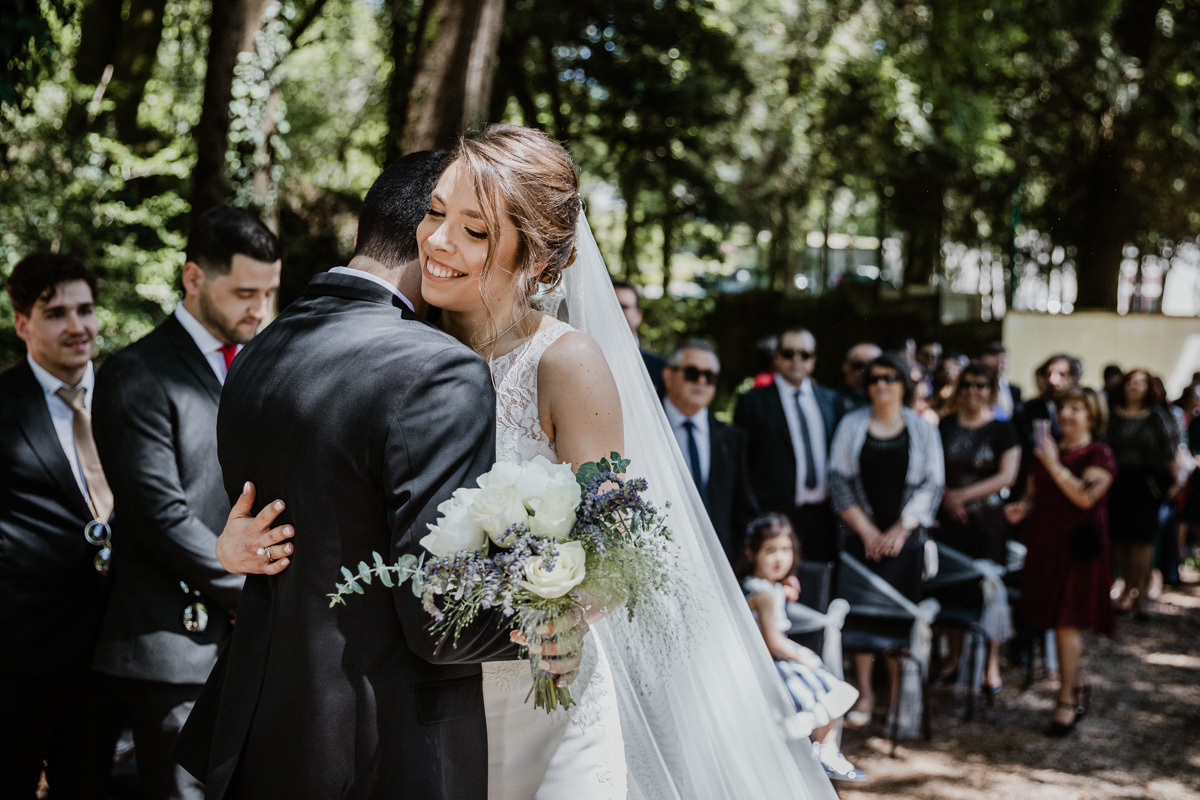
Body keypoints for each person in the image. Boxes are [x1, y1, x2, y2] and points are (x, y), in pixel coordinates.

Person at [202, 128, 840, 799]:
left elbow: (617, 541)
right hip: (418, 708)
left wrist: (568, 613)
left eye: (474, 231)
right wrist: (233, 542)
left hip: (540, 693)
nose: (438, 242)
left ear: (535, 259)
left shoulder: (566, 364)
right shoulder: (403, 346)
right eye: (436, 213)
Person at [177, 151, 569, 799]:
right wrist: (544, 615)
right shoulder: (438, 371)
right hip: (379, 747)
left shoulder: (261, 351)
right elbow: (439, 608)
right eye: (460, 224)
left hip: (260, 731)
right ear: (428, 230)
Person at [89, 207, 280, 800]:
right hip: (174, 646)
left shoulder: (262, 364)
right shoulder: (135, 373)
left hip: (253, 642)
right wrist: (251, 590)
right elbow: (158, 517)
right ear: (193, 278)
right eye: (245, 292)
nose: (260, 309)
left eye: (271, 292)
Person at [0, 254, 114, 798]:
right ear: (22, 322)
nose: (77, 326)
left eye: (85, 309)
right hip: (20, 654)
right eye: (56, 313)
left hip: (112, 646)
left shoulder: (128, 393)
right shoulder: (3, 406)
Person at [828, 352, 944, 724]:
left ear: (903, 385)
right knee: (860, 615)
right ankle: (863, 693)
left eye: (890, 378)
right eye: (875, 377)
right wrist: (867, 531)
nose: (881, 384)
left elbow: (933, 482)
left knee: (897, 619)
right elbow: (838, 478)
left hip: (904, 541)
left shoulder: (922, 427)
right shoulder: (852, 424)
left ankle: (896, 694)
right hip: (860, 538)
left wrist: (899, 529)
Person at [1004, 388, 1115, 736]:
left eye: (1076, 408)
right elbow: (1034, 495)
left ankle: (1065, 701)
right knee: (1053, 619)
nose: (1066, 414)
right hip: (1045, 547)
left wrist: (1052, 462)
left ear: (1092, 415)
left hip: (1079, 552)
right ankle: (1077, 685)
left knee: (1067, 623)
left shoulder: (1099, 454)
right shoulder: (1046, 452)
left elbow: (1084, 497)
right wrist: (1022, 506)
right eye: (1063, 407)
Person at [739, 514, 865, 783]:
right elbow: (772, 642)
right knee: (823, 686)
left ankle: (827, 751)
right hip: (770, 662)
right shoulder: (760, 594)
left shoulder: (765, 588)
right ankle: (826, 753)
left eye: (785, 550)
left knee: (825, 691)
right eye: (770, 551)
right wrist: (803, 656)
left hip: (775, 656)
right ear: (752, 553)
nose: (779, 559)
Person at [934, 360, 1020, 691]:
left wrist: (962, 497)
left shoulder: (1003, 429)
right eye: (967, 384)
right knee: (951, 590)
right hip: (948, 521)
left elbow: (1007, 475)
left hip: (986, 522)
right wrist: (947, 499)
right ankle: (954, 658)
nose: (973, 391)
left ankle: (990, 664)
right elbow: (932, 465)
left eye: (980, 385)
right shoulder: (944, 425)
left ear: (991, 390)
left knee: (988, 592)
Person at [734, 328, 842, 562]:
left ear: (813, 359)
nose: (796, 360)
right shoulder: (753, 402)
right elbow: (742, 465)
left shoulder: (831, 400)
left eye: (804, 354)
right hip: (775, 518)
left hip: (823, 518)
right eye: (788, 353)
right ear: (776, 357)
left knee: (821, 589)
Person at [662, 339, 759, 567]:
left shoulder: (732, 439)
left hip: (717, 565)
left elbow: (743, 509)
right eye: (693, 373)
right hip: (660, 558)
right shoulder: (644, 427)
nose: (702, 381)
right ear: (668, 376)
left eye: (710, 376)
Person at [1107, 369, 1176, 619]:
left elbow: (1168, 453)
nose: (1134, 388)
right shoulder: (1112, 415)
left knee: (1142, 540)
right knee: (1121, 539)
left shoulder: (1156, 418)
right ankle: (1126, 586)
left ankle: (1141, 593)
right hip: (1118, 482)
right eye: (1131, 383)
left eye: (1140, 384)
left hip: (1146, 484)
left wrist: (1175, 482)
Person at [613, 278, 666, 398]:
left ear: (638, 315)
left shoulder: (659, 368)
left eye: (623, 307)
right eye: (612, 306)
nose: (615, 313)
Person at [979, 341, 1022, 422]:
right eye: (996, 360)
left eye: (1003, 361)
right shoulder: (977, 387)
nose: (999, 365)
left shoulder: (1015, 390)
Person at [837, 341, 882, 415]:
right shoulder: (835, 399)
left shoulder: (889, 395)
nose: (865, 371)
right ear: (846, 367)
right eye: (859, 365)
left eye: (871, 366)